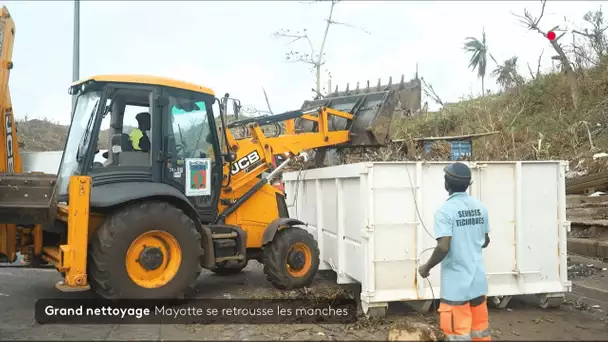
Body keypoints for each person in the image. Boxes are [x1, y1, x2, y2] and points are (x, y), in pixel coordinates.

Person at [418, 162, 491, 341]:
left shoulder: (445, 211)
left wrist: (426, 268)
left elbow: (443, 246)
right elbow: (485, 241)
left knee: (457, 335)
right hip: (478, 282)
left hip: (456, 287)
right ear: (468, 184)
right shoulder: (481, 208)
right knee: (479, 333)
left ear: (446, 183)